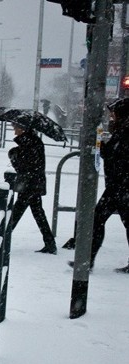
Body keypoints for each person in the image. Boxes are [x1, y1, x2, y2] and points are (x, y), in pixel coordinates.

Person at [89, 98, 129, 272]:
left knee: (97, 219)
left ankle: (87, 260)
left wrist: (104, 147)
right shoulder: (121, 129)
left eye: (113, 112)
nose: (111, 115)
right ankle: (87, 259)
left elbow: (118, 157)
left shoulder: (125, 131)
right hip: (118, 186)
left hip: (121, 186)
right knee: (98, 219)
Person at [7, 121, 58, 254]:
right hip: (32, 183)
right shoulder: (30, 141)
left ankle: (2, 238)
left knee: (17, 212)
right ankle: (50, 243)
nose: (14, 131)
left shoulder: (30, 143)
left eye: (15, 127)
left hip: (29, 184)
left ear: (22, 128)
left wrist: (13, 154)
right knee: (37, 212)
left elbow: (25, 166)